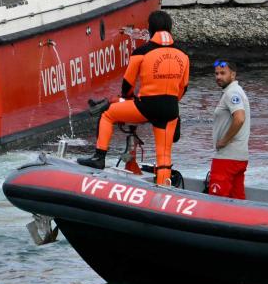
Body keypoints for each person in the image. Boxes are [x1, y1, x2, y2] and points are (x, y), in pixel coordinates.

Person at [80, 10, 190, 187]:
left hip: (146, 106)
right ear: (170, 29)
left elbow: (128, 84)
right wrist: (170, 102)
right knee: (164, 156)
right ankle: (164, 190)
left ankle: (99, 157)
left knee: (107, 114)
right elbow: (183, 88)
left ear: (150, 29)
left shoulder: (141, 52)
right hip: (171, 109)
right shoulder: (183, 54)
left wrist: (127, 99)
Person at [207, 59, 250, 200]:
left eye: (223, 73)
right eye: (216, 74)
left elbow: (239, 118)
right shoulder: (236, 91)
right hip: (239, 156)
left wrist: (223, 141)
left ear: (233, 75)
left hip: (227, 158)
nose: (218, 77)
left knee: (217, 200)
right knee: (237, 199)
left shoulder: (232, 93)